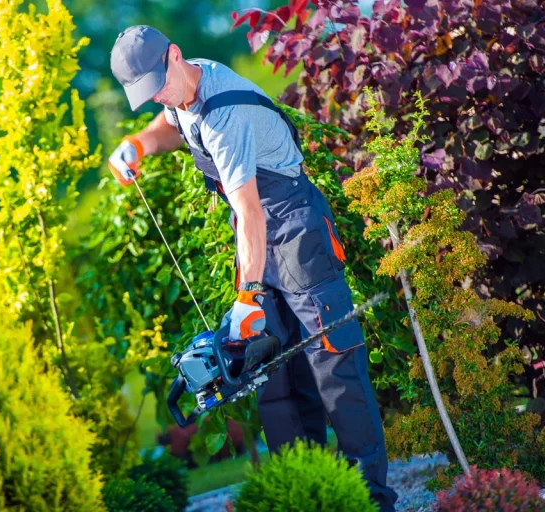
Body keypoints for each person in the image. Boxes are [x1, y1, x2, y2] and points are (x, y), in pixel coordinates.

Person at [108, 25, 398, 511]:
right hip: (261, 238)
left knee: (336, 371)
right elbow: (169, 126)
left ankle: (371, 501)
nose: (160, 96)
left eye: (159, 84)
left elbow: (249, 212)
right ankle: (305, 497)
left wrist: (249, 296)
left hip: (296, 230)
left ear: (175, 55)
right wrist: (139, 144)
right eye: (148, 94)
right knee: (275, 376)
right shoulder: (184, 93)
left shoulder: (226, 115)